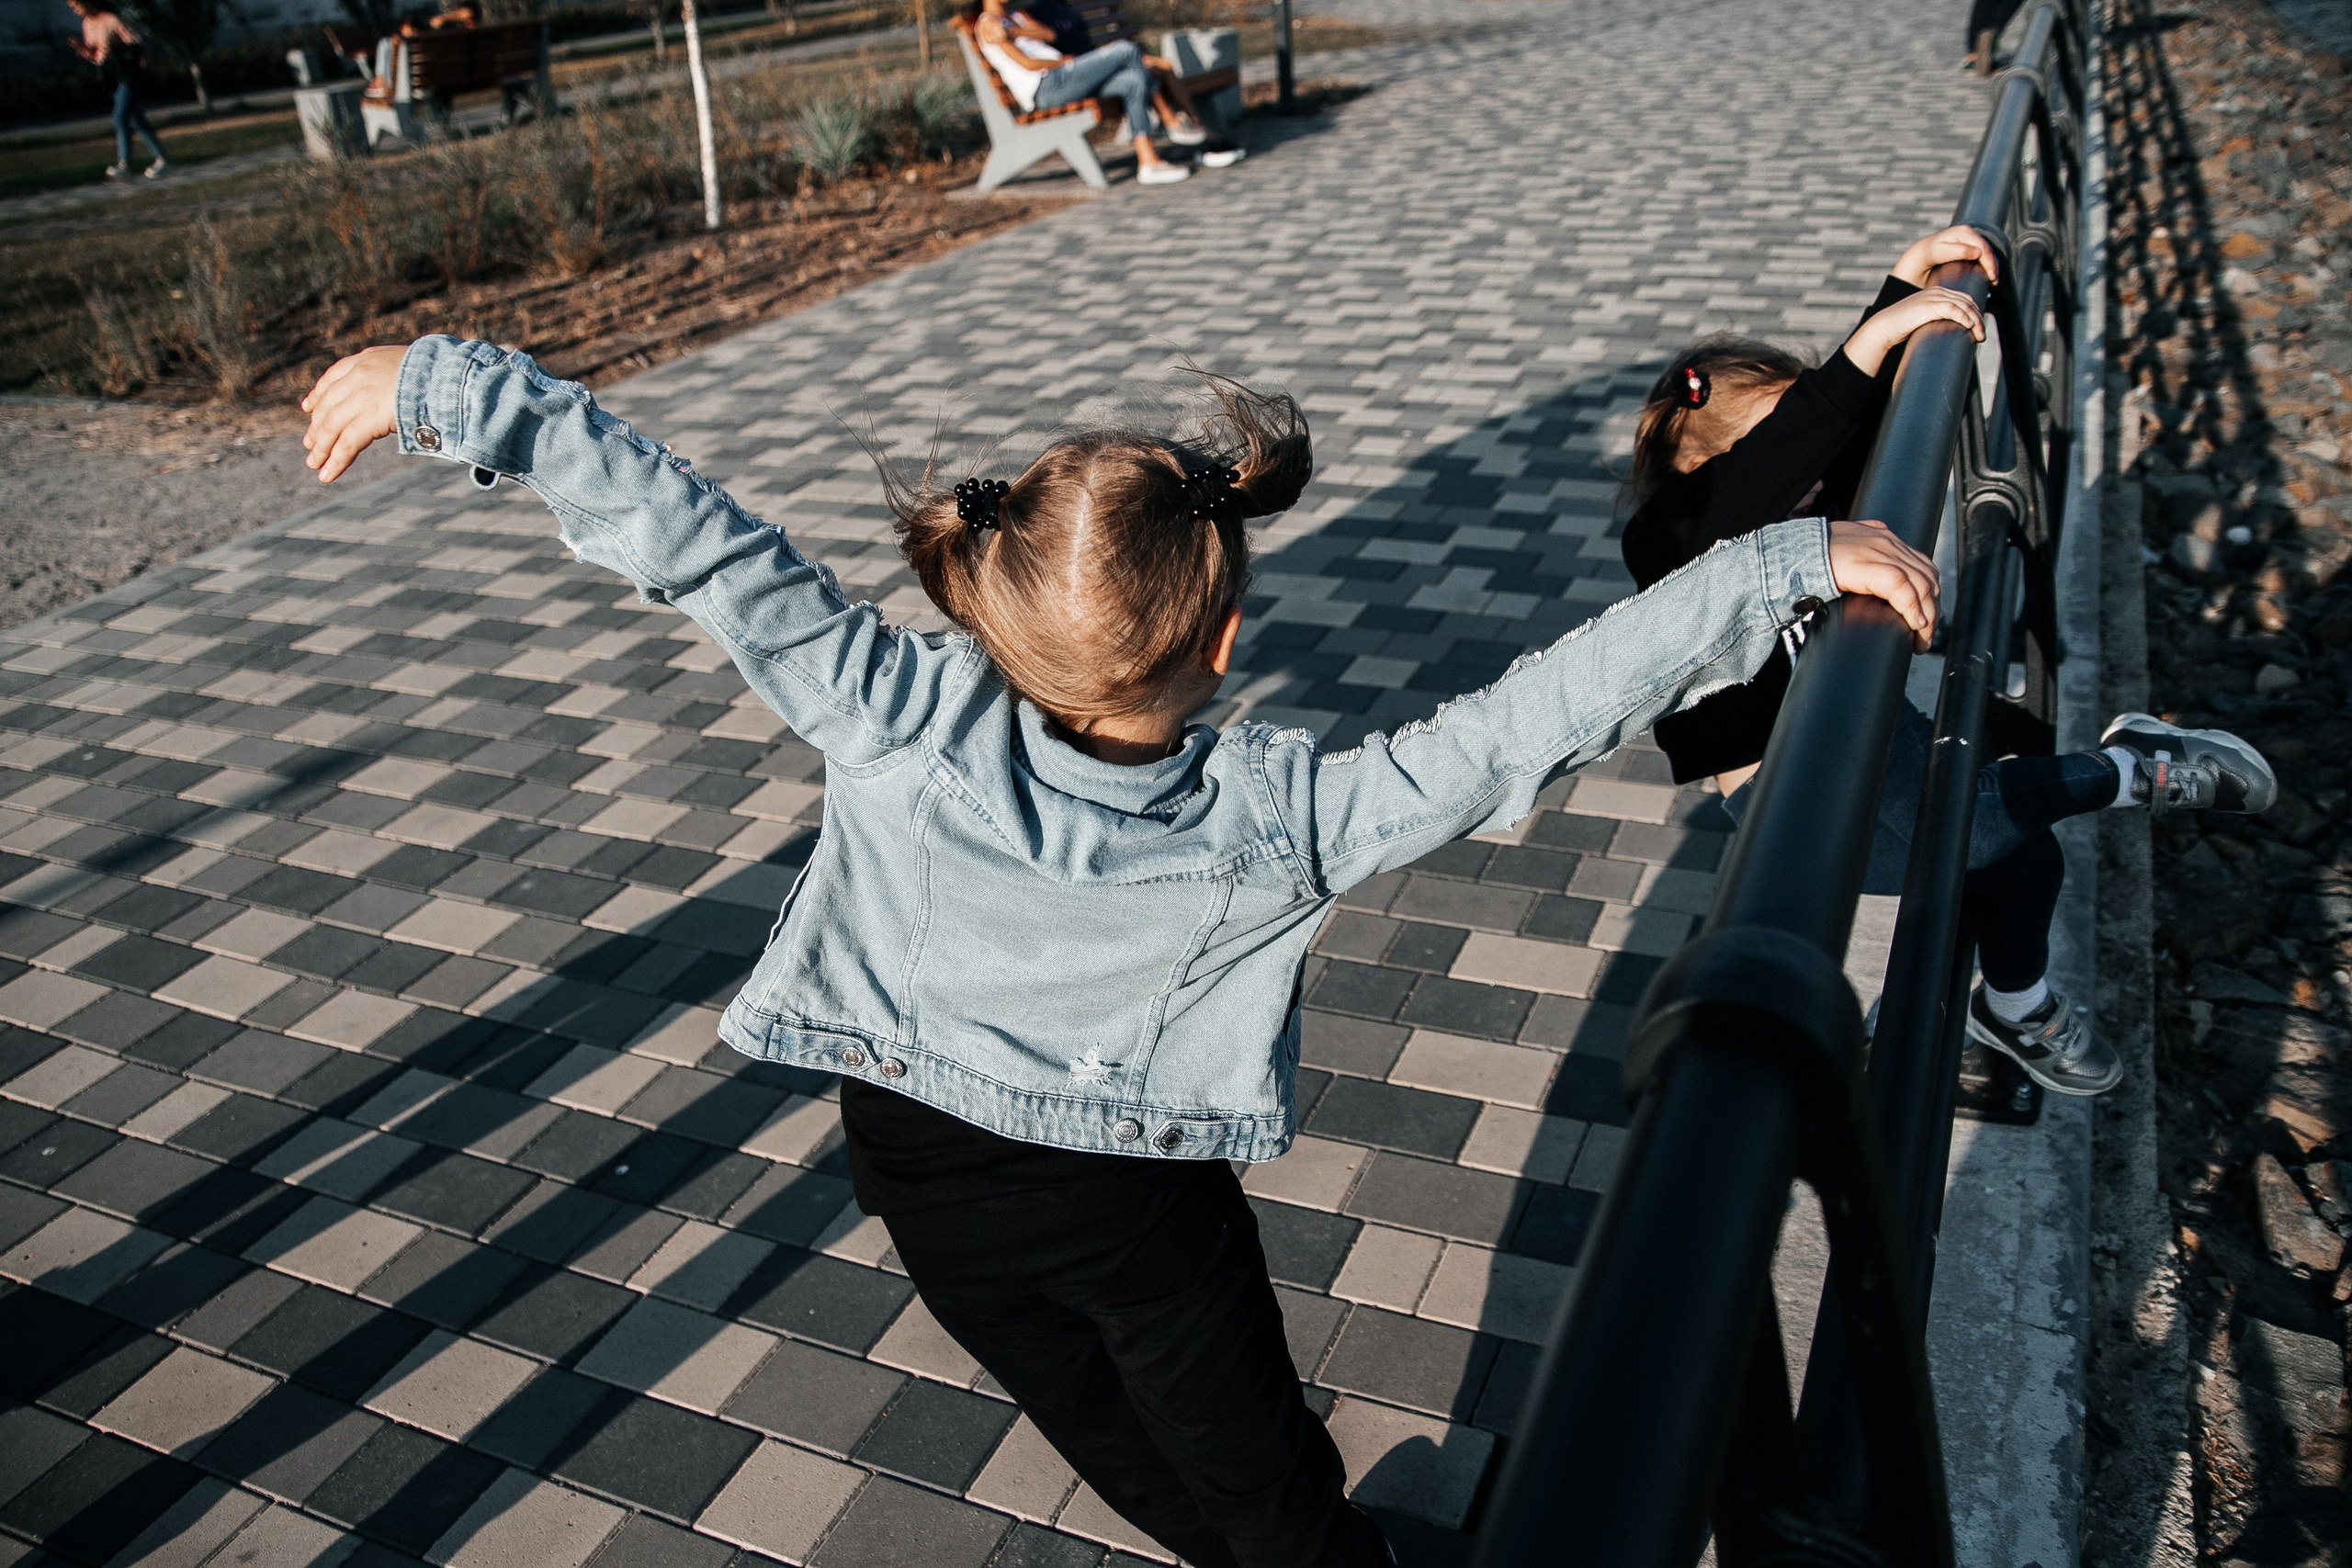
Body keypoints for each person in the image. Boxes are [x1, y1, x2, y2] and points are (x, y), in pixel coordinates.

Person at [297, 334, 1939, 1567]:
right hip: (1132, 1214)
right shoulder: (1283, 814)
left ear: (992, 595)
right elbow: (1522, 726)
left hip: (927, 1184)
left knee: (1117, 1448)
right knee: (1264, 1481)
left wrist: (453, 389)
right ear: (1226, 638)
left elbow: (698, 538)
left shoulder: (890, 710)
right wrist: (1776, 568)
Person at [1621, 224, 2278, 1096]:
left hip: (1870, 723)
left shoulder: (1802, 498)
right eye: (1791, 460)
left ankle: (2012, 1005)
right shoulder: (1665, 539)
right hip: (1787, 791)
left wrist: (1898, 295)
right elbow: (1773, 466)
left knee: (2021, 852)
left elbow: (1840, 436)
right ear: (1709, 470)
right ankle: (2126, 769)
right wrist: (1861, 348)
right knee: (1970, 837)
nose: (1820, 484)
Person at [965, 0, 1240, 183]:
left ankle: (1148, 162)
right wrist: (1062, 61)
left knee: (1133, 81)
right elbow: (1027, 63)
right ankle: (1170, 121)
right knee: (1126, 50)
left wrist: (1016, 31)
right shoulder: (988, 25)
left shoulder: (1014, 18)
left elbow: (1049, 36)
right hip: (1046, 88)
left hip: (1063, 77)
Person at [65, 0, 167, 181]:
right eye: (72, 8)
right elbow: (98, 58)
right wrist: (83, 50)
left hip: (127, 75)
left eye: (76, 6)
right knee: (137, 119)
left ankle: (124, 165)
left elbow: (135, 42)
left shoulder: (110, 20)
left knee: (120, 117)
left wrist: (117, 48)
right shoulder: (87, 24)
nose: (75, 11)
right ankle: (162, 160)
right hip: (111, 75)